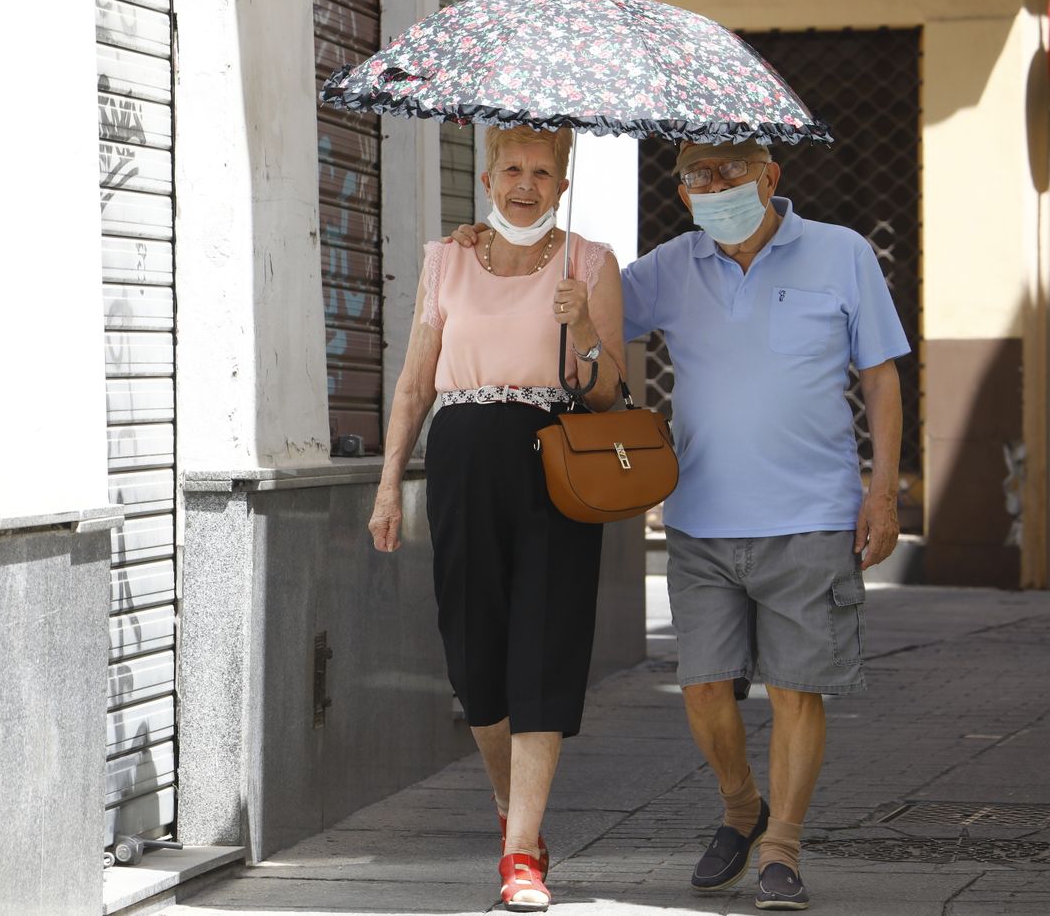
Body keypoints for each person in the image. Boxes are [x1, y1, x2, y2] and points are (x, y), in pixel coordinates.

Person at [447, 140, 908, 911]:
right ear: (683, 192)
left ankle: (781, 847)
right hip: (699, 519)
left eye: (732, 172)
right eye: (698, 176)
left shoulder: (842, 253)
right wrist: (492, 241)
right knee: (702, 691)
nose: (716, 186)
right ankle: (740, 804)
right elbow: (575, 293)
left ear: (771, 176)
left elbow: (881, 375)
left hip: (814, 514)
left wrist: (883, 492)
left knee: (796, 688)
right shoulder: (670, 266)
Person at [369, 125, 624, 913]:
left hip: (556, 462)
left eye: (542, 171)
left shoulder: (591, 262)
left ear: (563, 183)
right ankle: (514, 811)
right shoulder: (446, 258)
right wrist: (387, 487)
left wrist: (581, 325)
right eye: (511, 168)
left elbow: (611, 391)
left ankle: (521, 855)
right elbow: (415, 383)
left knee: (542, 647)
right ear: (486, 178)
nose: (525, 183)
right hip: (462, 459)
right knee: (474, 654)